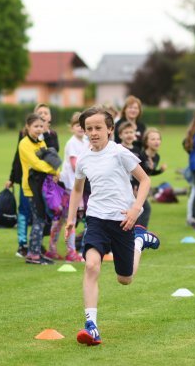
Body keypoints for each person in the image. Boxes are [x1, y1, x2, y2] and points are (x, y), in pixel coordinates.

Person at [65, 106, 160, 346]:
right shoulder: (84, 158)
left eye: (98, 128)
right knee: (91, 266)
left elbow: (145, 180)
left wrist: (135, 209)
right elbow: (77, 189)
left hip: (123, 220)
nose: (94, 132)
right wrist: (71, 218)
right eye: (89, 129)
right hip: (96, 219)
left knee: (124, 279)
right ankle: (91, 325)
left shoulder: (120, 153)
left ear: (110, 129)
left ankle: (140, 241)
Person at [18, 114, 60, 264]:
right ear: (28, 127)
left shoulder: (41, 142)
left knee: (41, 219)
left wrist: (55, 169)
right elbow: (36, 163)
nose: (38, 129)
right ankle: (33, 254)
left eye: (41, 126)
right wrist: (53, 170)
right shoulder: (24, 144)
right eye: (35, 126)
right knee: (38, 219)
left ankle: (34, 252)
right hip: (31, 187)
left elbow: (48, 157)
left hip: (42, 185)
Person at [53, 112, 87, 262]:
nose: (80, 128)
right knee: (68, 219)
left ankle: (58, 249)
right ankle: (70, 251)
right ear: (71, 127)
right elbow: (75, 165)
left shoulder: (85, 140)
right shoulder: (72, 143)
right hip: (70, 187)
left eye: (82, 125)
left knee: (67, 219)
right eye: (77, 125)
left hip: (80, 185)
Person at [136, 127, 166, 228]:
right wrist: (135, 188)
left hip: (142, 187)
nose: (156, 141)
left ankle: (139, 233)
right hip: (135, 188)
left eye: (158, 139)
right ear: (146, 142)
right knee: (144, 209)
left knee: (142, 210)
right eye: (153, 139)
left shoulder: (156, 156)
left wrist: (159, 171)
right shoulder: (140, 156)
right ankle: (140, 234)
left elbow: (148, 173)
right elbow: (136, 173)